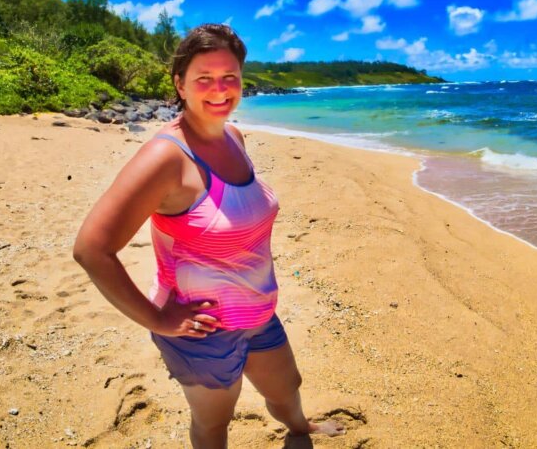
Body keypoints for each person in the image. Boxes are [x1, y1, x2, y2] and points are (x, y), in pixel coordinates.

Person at [73, 24, 344, 448]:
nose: (219, 90)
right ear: (180, 84)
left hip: (257, 311)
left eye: (229, 77)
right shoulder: (166, 157)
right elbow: (92, 248)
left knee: (286, 388)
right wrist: (159, 319)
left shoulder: (234, 136)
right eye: (204, 79)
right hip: (202, 330)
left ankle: (299, 429)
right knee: (215, 424)